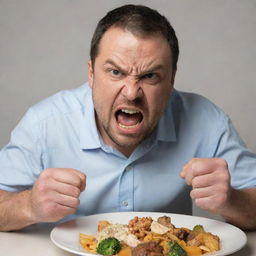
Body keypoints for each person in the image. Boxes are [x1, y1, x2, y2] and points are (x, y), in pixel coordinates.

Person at [0, 4, 255, 232]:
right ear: (91, 73)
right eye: (115, 72)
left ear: (172, 78)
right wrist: (29, 206)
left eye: (150, 76)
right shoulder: (44, 124)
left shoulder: (206, 121)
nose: (132, 93)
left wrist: (233, 200)